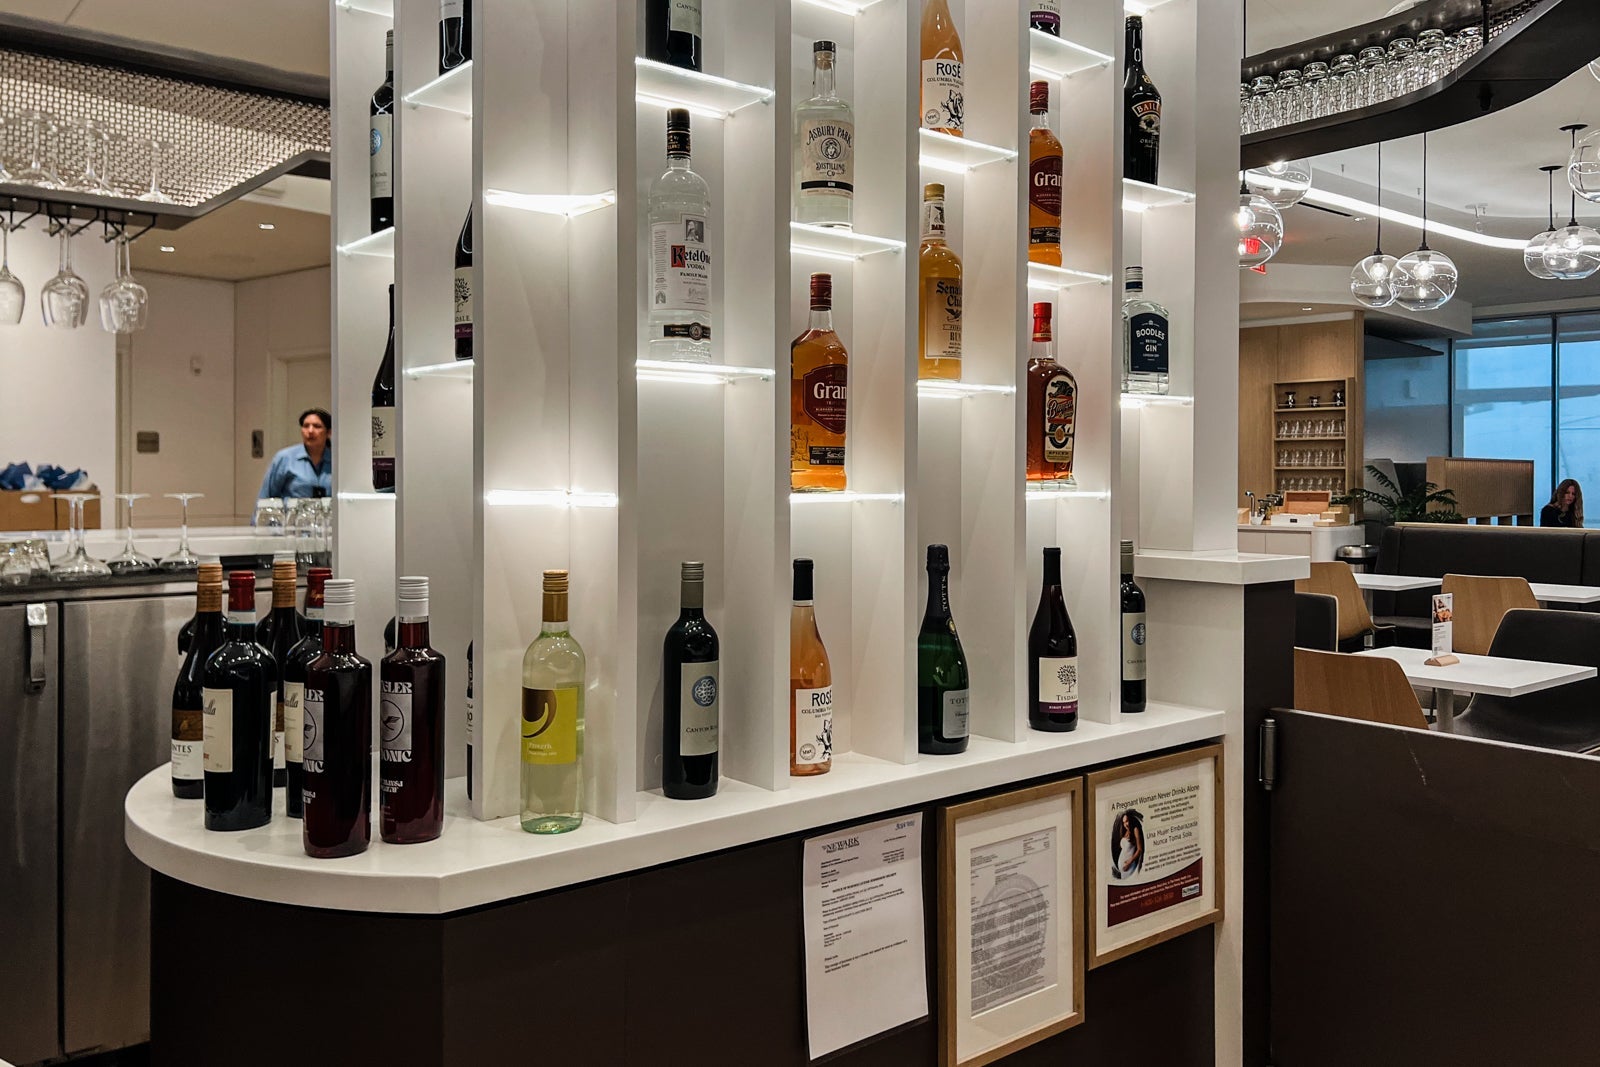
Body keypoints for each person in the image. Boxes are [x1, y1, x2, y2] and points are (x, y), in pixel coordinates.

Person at [258, 408, 333, 499]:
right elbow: (266, 495)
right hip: (292, 512)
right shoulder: (285, 458)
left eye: (317, 426)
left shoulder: (336, 461)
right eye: (306, 426)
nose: (310, 431)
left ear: (328, 432)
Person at [1110, 809, 1144, 880]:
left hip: (1130, 867)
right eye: (1124, 822)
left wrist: (1129, 862)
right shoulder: (1125, 832)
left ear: (1130, 820)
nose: (1126, 824)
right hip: (1123, 870)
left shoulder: (1135, 829)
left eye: (1127, 821)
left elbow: (1139, 849)